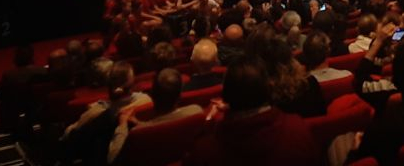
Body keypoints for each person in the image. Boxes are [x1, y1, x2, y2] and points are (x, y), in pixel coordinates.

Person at [183, 59, 321, 166]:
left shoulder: (205, 151)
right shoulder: (298, 128)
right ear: (269, 90)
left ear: (225, 96)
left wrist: (208, 123)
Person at [108, 69, 203, 163]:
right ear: (179, 97)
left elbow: (112, 157)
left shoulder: (139, 133)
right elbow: (165, 125)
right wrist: (140, 123)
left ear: (152, 96)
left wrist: (122, 126)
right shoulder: (196, 111)